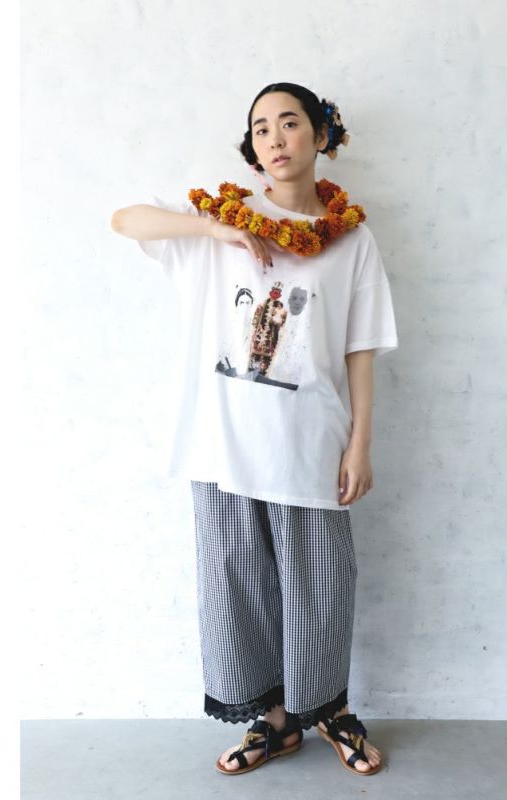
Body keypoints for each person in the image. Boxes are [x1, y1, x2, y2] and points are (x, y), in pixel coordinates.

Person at [111, 82, 398, 776]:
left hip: (310, 442)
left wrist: (360, 441)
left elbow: (360, 347)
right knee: (235, 582)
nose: (274, 138)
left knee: (320, 582)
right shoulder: (224, 218)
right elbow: (125, 219)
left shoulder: (352, 240)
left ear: (321, 135)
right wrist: (213, 230)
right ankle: (270, 720)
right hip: (222, 444)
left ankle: (327, 709)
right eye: (261, 127)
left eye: (289, 123)